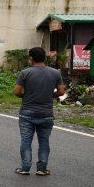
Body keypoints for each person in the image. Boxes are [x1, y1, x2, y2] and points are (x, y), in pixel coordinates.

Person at [13, 46, 66, 176]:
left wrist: (25, 96)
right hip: (46, 114)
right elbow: (61, 92)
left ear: (31, 58)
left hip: (27, 113)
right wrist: (49, 95)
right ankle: (42, 168)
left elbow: (17, 91)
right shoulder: (55, 73)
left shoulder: (25, 73)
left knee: (26, 141)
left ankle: (25, 168)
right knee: (44, 141)